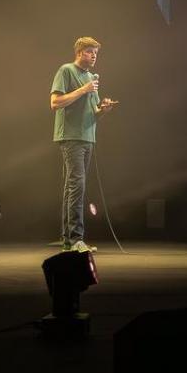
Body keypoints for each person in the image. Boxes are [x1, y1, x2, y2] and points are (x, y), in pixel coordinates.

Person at [50, 37, 116, 253]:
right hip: (71, 138)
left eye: (96, 53)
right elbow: (55, 103)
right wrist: (83, 90)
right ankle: (76, 239)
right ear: (79, 53)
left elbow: (93, 111)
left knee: (72, 188)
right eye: (90, 52)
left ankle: (68, 241)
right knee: (77, 186)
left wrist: (103, 109)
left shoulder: (91, 78)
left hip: (87, 138)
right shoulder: (66, 70)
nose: (94, 56)